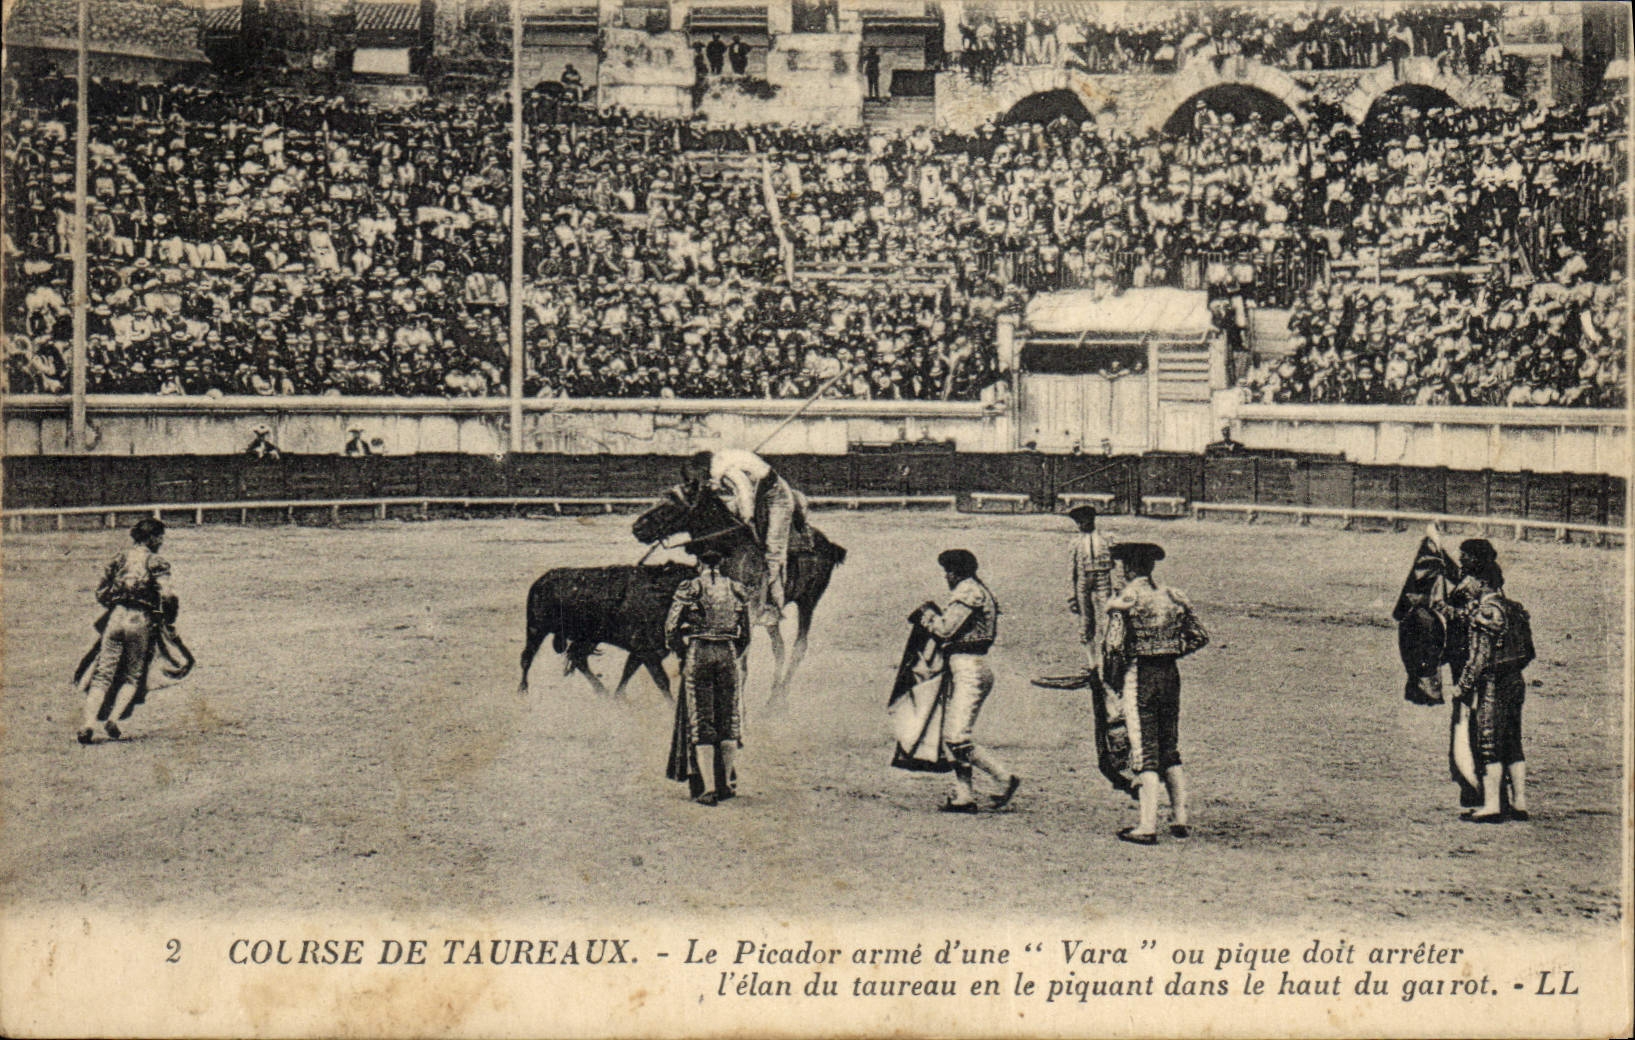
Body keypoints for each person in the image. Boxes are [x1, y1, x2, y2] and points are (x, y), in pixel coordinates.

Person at [1102, 543, 1208, 844]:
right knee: (1168, 747)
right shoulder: (1172, 596)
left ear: (1129, 569)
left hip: (1141, 675)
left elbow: (1114, 645)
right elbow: (1200, 636)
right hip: (1170, 673)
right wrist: (1170, 650)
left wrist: (1113, 677)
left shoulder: (1127, 599)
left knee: (1144, 749)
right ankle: (1179, 819)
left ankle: (1146, 827)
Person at [911, 549, 1019, 813]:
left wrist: (926, 616)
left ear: (956, 572)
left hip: (969, 668)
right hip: (966, 667)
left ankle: (1004, 778)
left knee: (957, 737)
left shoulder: (968, 591)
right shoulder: (976, 589)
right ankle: (964, 796)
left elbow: (945, 629)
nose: (946, 577)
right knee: (954, 735)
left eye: (948, 571)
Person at [1453, 539, 1534, 823]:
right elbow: (1528, 653)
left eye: (1470, 580)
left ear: (1483, 582)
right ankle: (1520, 802)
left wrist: (1462, 687)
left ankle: (1491, 805)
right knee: (1513, 740)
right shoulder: (1514, 608)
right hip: (1516, 681)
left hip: (1492, 683)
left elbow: (1479, 659)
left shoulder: (1486, 612)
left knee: (1488, 741)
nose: (1466, 585)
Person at [665, 542, 751, 806]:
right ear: (722, 564)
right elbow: (744, 636)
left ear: (700, 564)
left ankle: (709, 788)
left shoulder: (690, 588)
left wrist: (683, 652)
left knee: (702, 720)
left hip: (699, 651)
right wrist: (731, 652)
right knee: (728, 718)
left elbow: (670, 629)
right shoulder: (736, 589)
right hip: (727, 653)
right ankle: (726, 784)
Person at [78, 518, 177, 744]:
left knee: (103, 673)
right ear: (150, 538)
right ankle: (113, 719)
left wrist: (116, 604)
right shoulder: (156, 562)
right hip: (139, 620)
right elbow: (168, 595)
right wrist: (167, 620)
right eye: (159, 537)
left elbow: (101, 591)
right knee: (133, 675)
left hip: (116, 617)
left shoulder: (119, 558)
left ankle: (88, 724)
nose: (161, 541)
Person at [683, 448, 807, 614]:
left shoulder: (724, 469)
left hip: (777, 498)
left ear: (703, 468)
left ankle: (774, 598)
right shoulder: (720, 463)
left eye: (698, 474)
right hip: (757, 494)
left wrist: (747, 516)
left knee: (773, 546)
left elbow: (744, 490)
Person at [1067, 505, 1115, 671]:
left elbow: (1118, 564)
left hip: (1103, 578)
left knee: (1107, 617)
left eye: (1084, 521)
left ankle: (1105, 660)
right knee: (1085, 620)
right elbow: (1071, 570)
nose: (1081, 525)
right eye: (1079, 522)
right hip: (1083, 579)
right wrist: (1071, 595)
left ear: (1092, 520)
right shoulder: (1075, 542)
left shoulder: (1106, 539)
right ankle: (1092, 662)